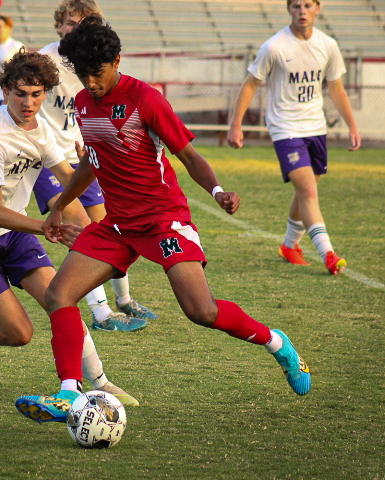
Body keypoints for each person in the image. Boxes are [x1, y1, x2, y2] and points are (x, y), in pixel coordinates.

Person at [15, 16, 311, 424]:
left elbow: (188, 155)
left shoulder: (147, 100)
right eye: (83, 74)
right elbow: (92, 162)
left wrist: (218, 190)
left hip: (162, 221)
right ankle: (69, 392)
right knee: (58, 295)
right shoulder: (83, 104)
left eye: (97, 73)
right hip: (118, 224)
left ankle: (277, 343)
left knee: (201, 311)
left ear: (117, 60)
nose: (91, 82)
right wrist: (60, 204)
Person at [0, 49, 138, 411]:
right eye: (20, 93)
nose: (28, 102)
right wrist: (46, 226)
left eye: (37, 93)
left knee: (61, 298)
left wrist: (94, 170)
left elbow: (69, 181)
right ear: (5, 90)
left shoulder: (42, 130)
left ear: (46, 93)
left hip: (13, 235)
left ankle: (100, 382)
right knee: (19, 333)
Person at [33, 0, 155, 332]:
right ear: (59, 26)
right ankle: (101, 314)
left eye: (85, 23)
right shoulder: (43, 62)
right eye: (71, 23)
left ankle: (124, 300)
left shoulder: (94, 63)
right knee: (83, 230)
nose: (77, 29)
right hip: (46, 157)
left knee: (112, 229)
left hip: (81, 156)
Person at [227, 0, 361, 275]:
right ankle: (329, 254)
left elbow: (336, 87)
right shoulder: (274, 47)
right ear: (289, 9)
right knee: (309, 191)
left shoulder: (328, 45)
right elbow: (251, 83)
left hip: (316, 128)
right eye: (297, 5)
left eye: (308, 5)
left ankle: (290, 246)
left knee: (306, 190)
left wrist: (352, 125)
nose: (302, 10)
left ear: (317, 9)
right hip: (285, 128)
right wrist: (235, 124)